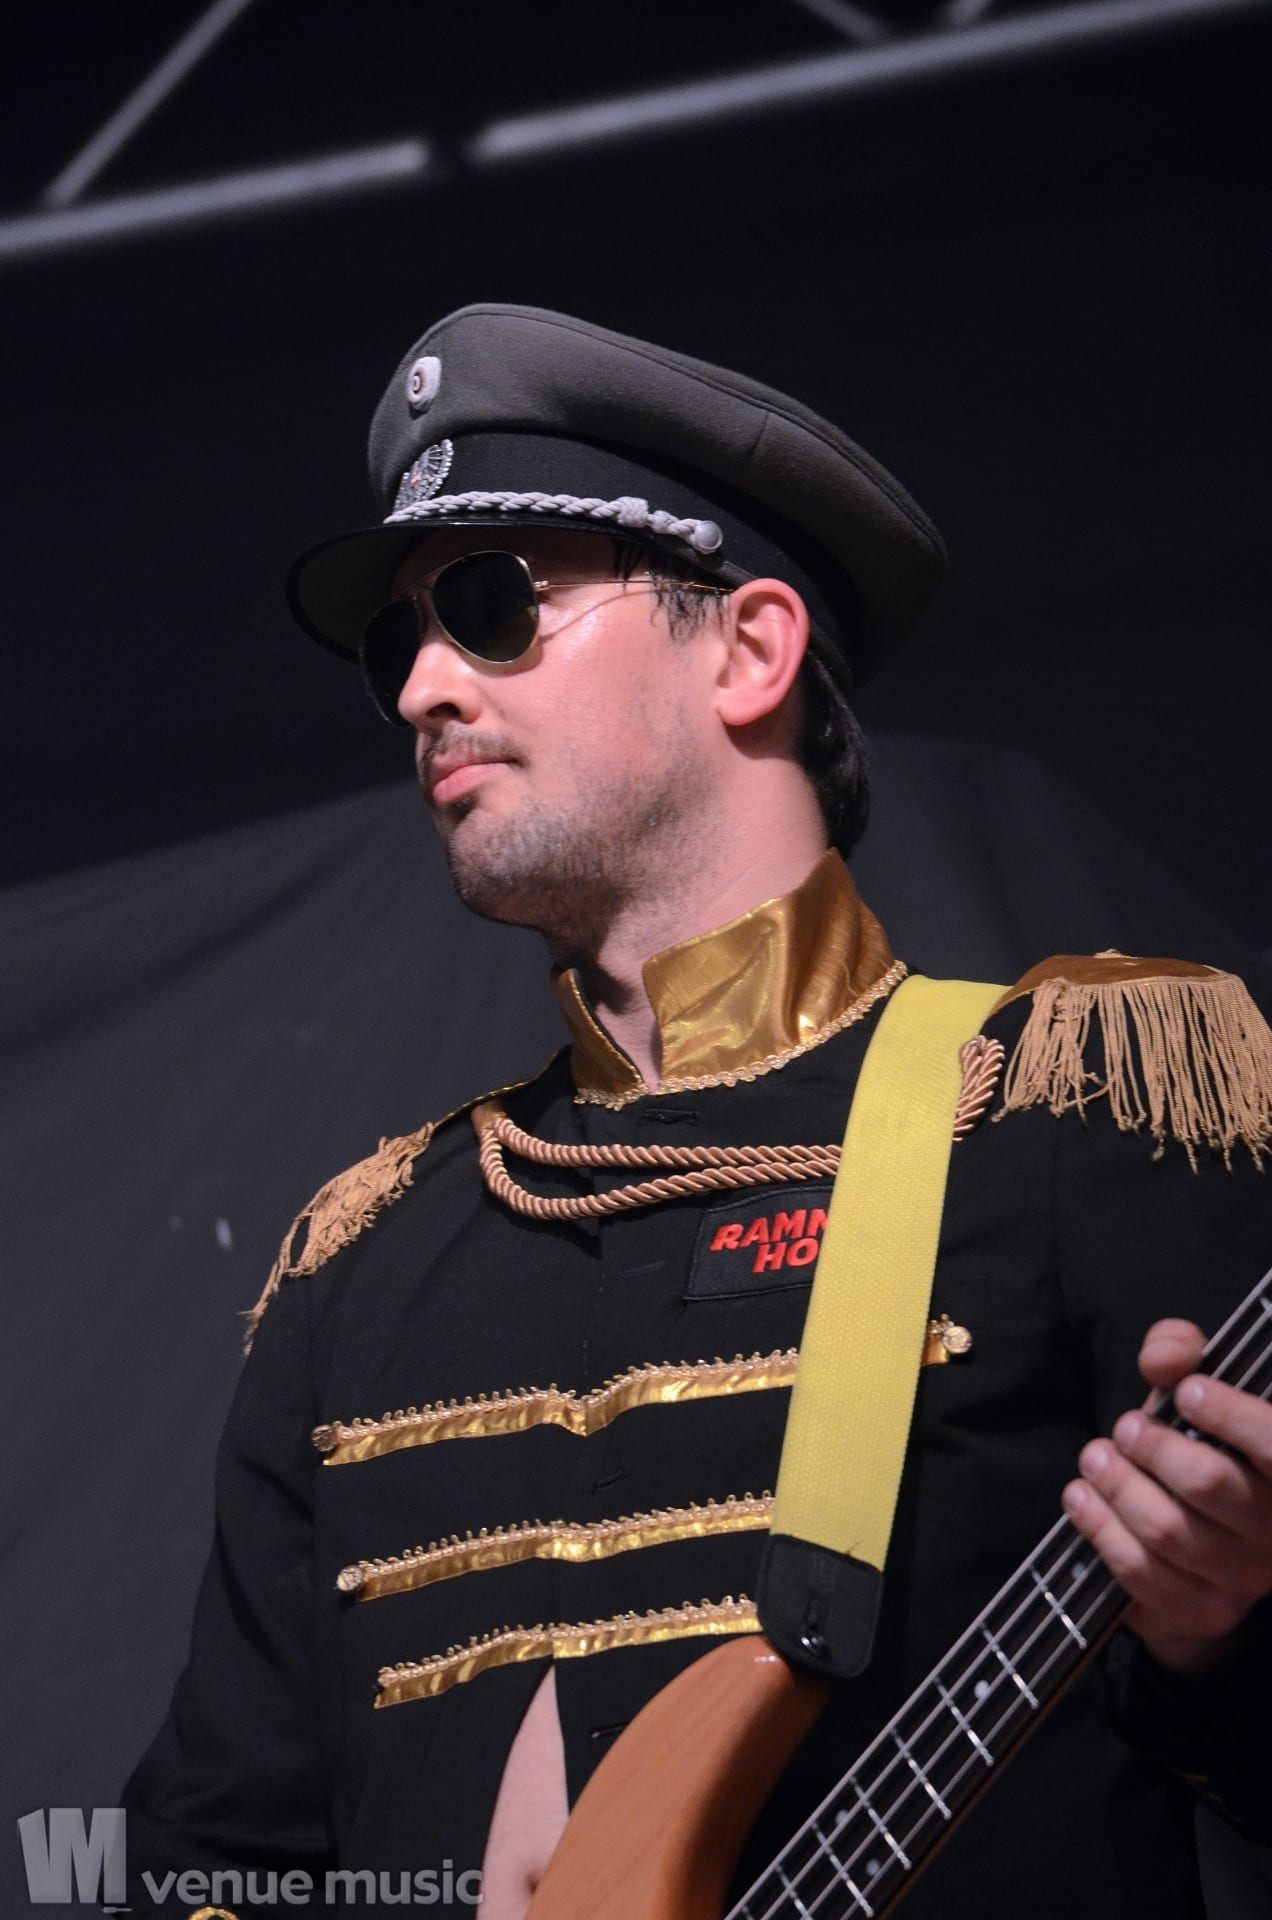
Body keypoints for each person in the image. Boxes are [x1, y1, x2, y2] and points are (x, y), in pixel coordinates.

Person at [122, 304, 1272, 1920]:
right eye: (400, 646)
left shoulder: (1082, 1103)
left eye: (492, 603)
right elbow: (199, 1859)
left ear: (749, 650)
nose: (423, 688)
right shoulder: (356, 1266)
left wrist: (1229, 1636)